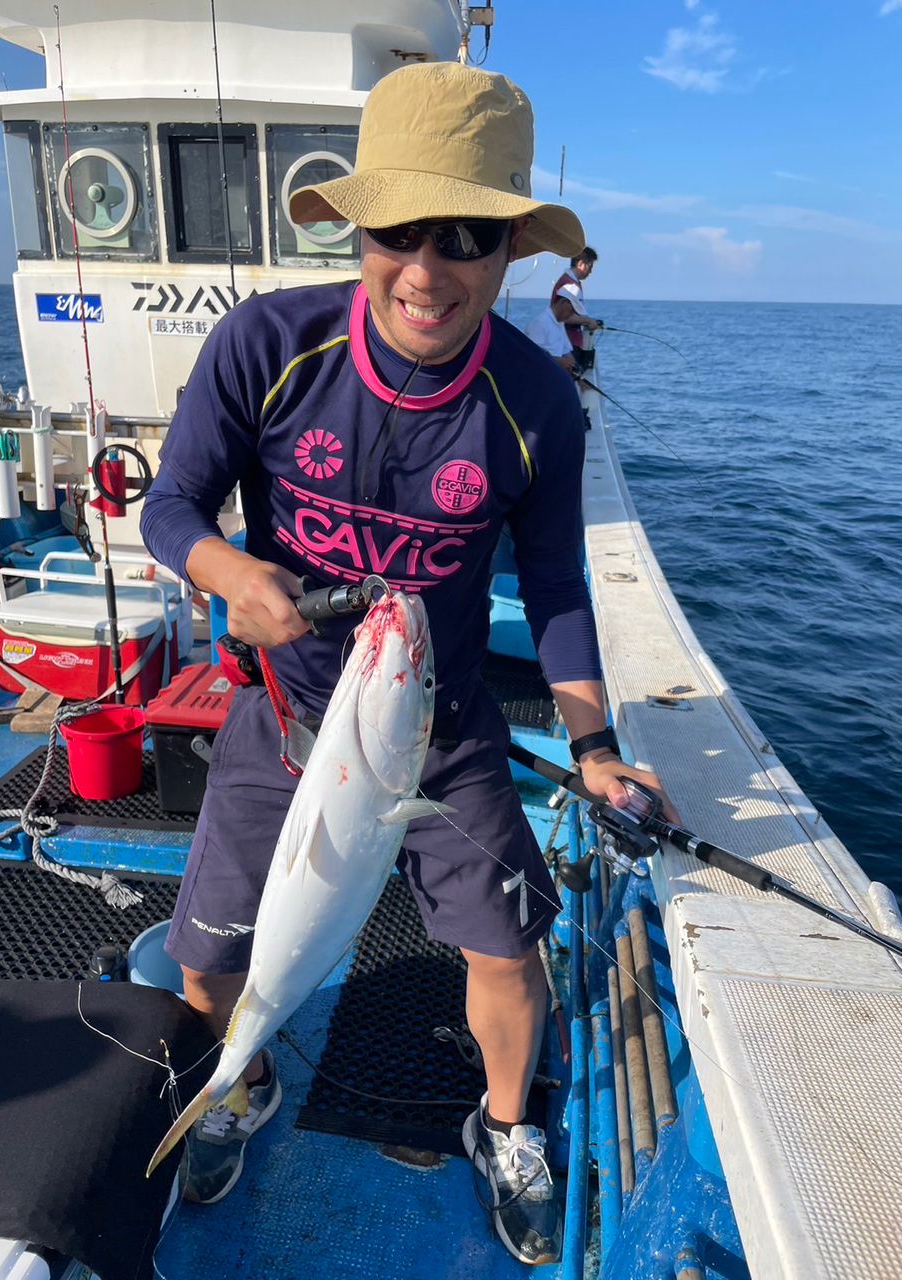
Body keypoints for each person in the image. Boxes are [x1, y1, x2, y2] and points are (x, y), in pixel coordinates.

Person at [141, 59, 671, 1267]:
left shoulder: (537, 401)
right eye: (399, 230)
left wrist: (591, 746)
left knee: (506, 949)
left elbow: (553, 586)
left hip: (446, 732)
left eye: (468, 234)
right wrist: (234, 575)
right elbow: (173, 504)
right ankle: (239, 1081)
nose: (427, 267)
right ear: (361, 227)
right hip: (286, 721)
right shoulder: (267, 344)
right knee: (208, 960)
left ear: (510, 254)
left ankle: (504, 1127)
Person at [526, 284, 591, 373]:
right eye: (572, 310)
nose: (572, 314)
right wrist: (561, 362)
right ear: (563, 303)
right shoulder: (540, 323)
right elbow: (532, 356)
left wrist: (572, 364)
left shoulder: (560, 323)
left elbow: (566, 352)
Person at [551, 247, 601, 351]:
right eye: (590, 266)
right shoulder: (570, 286)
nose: (590, 272)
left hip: (565, 343)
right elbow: (563, 316)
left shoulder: (569, 281)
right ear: (581, 264)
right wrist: (588, 321)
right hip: (567, 344)